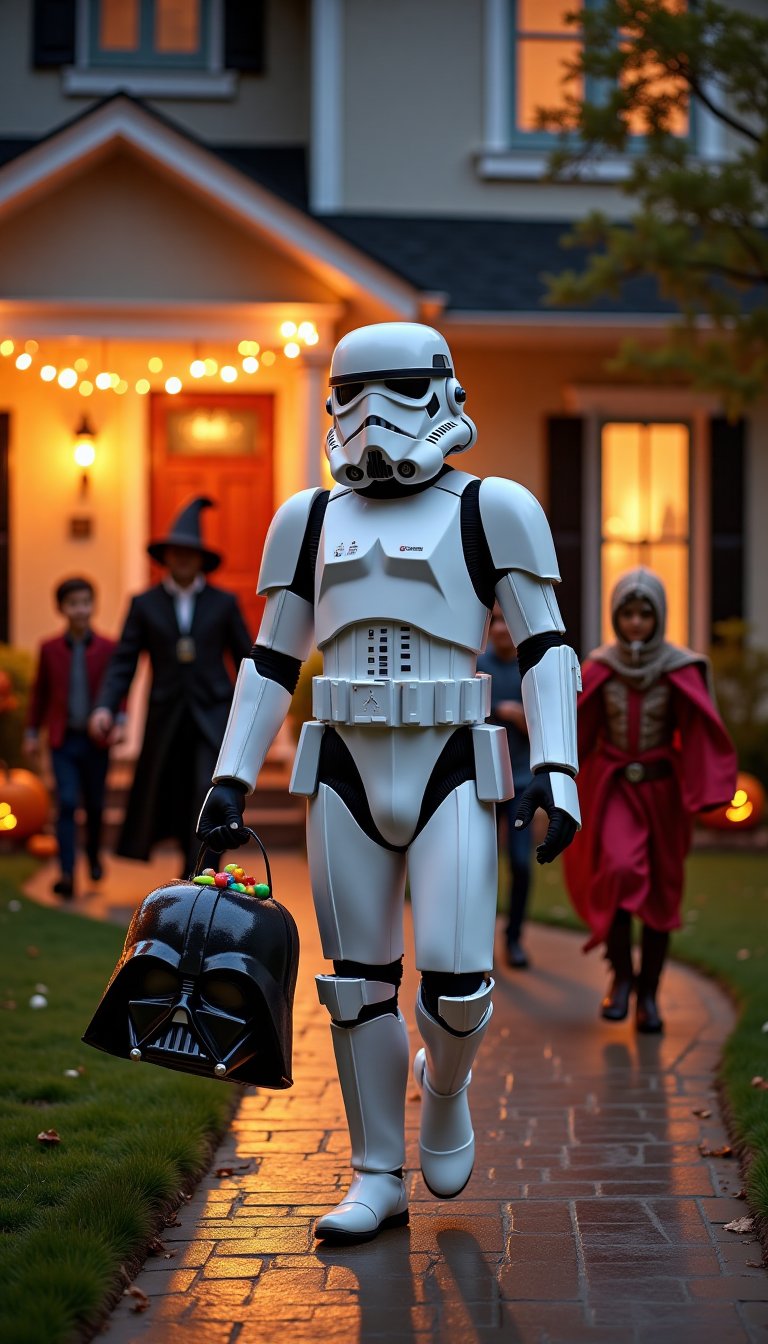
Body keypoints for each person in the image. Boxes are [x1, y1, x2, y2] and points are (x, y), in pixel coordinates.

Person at [197, 321, 582, 1243]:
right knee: (355, 981)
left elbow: (545, 644)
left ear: (443, 391)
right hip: (343, 760)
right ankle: (376, 1172)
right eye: (351, 395)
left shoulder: (495, 509)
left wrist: (559, 771)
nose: (371, 419)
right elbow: (268, 658)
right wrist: (229, 777)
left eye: (395, 390)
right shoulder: (310, 519)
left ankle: (444, 1087)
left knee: (456, 984)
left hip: (453, 755)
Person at [563, 567, 737, 1033]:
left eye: (645, 613)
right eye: (628, 614)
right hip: (616, 788)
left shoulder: (680, 666)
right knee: (619, 872)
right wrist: (558, 777)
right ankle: (621, 978)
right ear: (616, 617)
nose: (636, 623)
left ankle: (649, 997)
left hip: (664, 793)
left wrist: (711, 787)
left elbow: (700, 730)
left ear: (658, 616)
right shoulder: (600, 666)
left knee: (661, 893)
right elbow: (580, 731)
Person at [89, 498, 252, 875]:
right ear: (165, 557)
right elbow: (123, 662)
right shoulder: (144, 604)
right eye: (175, 553)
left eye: (189, 553)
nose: (182, 559)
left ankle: (203, 873)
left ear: (201, 560)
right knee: (174, 795)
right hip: (166, 717)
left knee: (206, 790)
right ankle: (188, 868)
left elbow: (247, 659)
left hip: (213, 715)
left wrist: (254, 713)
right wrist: (106, 707)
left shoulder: (223, 603)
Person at [24, 576, 121, 899]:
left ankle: (93, 854)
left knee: (94, 804)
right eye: (73, 604)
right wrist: (30, 732)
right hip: (63, 740)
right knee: (66, 802)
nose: (80, 610)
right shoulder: (49, 648)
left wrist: (118, 720)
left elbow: (117, 688)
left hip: (96, 741)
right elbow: (40, 694)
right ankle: (66, 872)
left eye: (85, 602)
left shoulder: (108, 647)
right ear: (61, 608)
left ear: (93, 605)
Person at [477, 603, 535, 969]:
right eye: (494, 620)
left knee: (520, 864)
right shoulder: (477, 665)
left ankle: (513, 939)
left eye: (506, 621)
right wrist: (507, 710)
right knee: (480, 866)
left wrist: (520, 715)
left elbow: (544, 724)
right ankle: (479, 944)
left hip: (523, 783)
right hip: (484, 781)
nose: (500, 628)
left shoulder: (530, 667)